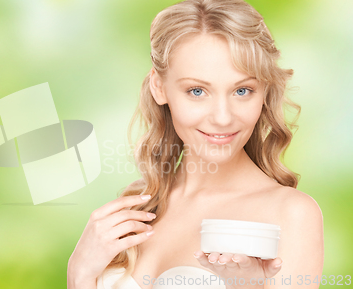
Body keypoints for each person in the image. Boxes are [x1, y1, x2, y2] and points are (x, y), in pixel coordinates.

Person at [67, 0, 324, 288]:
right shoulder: (138, 205)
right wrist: (79, 273)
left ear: (264, 92)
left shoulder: (291, 214)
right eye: (197, 91)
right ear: (159, 87)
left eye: (242, 90)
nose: (223, 118)